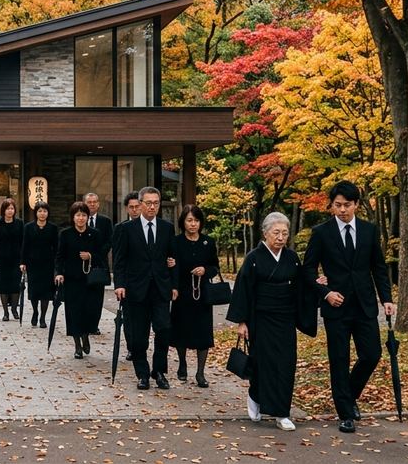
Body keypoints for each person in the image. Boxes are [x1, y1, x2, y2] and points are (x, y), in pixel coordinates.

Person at [301, 180, 395, 434]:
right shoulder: (321, 233)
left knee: (371, 354)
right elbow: (308, 270)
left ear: (356, 205)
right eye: (338, 205)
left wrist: (386, 298)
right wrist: (326, 293)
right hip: (336, 307)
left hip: (364, 305)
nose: (342, 210)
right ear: (331, 205)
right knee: (339, 359)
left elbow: (378, 267)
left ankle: (349, 395)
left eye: (347, 205)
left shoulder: (369, 230)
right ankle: (345, 413)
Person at [227, 211, 316, 432]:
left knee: (286, 363)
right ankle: (255, 396)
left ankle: (281, 413)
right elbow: (243, 290)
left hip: (285, 317)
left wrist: (317, 284)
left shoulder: (292, 258)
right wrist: (242, 322)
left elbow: (302, 287)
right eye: (276, 232)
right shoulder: (253, 258)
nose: (280, 237)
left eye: (284, 233)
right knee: (262, 363)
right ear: (265, 233)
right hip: (261, 318)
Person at [111, 186, 177, 389]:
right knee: (139, 335)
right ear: (140, 204)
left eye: (156, 203)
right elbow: (119, 260)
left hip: (160, 288)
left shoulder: (167, 228)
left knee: (163, 329)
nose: (152, 207)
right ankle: (142, 374)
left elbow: (172, 258)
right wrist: (119, 285)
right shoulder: (127, 229)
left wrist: (174, 284)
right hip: (135, 289)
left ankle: (159, 371)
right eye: (148, 203)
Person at [167, 205, 219, 388]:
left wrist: (205, 270)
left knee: (203, 332)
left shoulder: (208, 242)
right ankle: (182, 363)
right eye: (189, 220)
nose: (193, 224)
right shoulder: (175, 242)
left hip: (203, 293)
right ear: (183, 222)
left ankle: (200, 373)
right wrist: (173, 283)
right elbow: (171, 267)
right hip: (182, 292)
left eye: (196, 220)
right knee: (181, 330)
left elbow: (215, 267)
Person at [54, 202, 105, 358]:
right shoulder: (65, 234)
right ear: (73, 217)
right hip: (72, 280)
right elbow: (60, 256)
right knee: (74, 312)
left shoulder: (95, 234)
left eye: (83, 215)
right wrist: (59, 273)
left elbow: (102, 256)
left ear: (87, 217)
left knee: (89, 311)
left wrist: (90, 256)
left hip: (90, 281)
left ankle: (85, 335)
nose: (81, 218)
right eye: (78, 215)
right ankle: (77, 345)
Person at [20, 201, 58, 328]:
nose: (42, 214)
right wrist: (23, 262)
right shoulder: (28, 227)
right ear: (36, 213)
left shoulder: (53, 228)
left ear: (48, 213)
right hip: (33, 263)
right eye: (40, 211)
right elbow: (25, 246)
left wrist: (57, 265)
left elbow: (56, 247)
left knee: (46, 292)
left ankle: (42, 317)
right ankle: (35, 311)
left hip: (48, 264)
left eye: (45, 211)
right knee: (34, 291)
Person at [0, 198, 25, 321]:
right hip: (2, 259)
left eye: (12, 208)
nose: (10, 211)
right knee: (3, 286)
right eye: (7, 209)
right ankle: (5, 312)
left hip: (16, 259)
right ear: (3, 210)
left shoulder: (19, 223)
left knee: (15, 285)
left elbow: (23, 242)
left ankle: (14, 309)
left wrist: (23, 260)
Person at [84, 192, 113, 335]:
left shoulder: (105, 221)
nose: (92, 204)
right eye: (89, 202)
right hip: (82, 264)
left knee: (97, 298)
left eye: (94, 202)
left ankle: (94, 325)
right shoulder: (80, 219)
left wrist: (96, 255)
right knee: (84, 297)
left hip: (99, 264)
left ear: (98, 204)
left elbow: (109, 241)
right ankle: (84, 323)